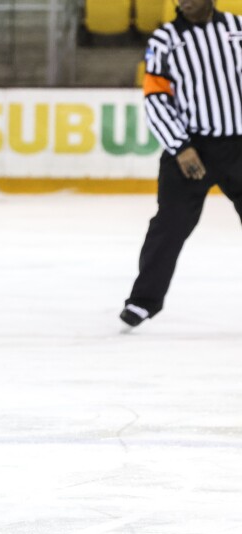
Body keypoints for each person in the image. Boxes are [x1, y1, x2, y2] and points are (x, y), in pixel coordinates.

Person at [121, 0, 242, 328]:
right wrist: (179, 147)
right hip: (190, 148)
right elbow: (156, 96)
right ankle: (143, 301)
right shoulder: (165, 39)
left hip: (239, 147)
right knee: (169, 226)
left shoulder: (237, 28)